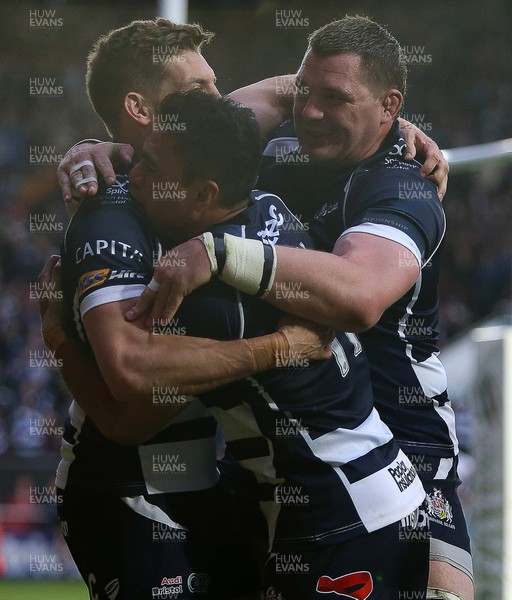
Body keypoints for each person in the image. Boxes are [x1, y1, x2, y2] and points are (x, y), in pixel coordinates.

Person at [122, 16, 473, 600]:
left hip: (402, 451)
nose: (310, 113)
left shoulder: (404, 185)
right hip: (282, 458)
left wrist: (219, 251)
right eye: (304, 93)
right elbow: (197, 132)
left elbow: (359, 296)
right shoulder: (281, 153)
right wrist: (104, 149)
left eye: (336, 99)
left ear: (389, 107)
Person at [46, 87, 431, 599]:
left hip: (333, 516)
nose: (134, 177)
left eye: (153, 169)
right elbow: (278, 96)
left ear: (204, 195)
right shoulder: (270, 208)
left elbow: (126, 400)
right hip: (377, 496)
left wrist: (56, 336)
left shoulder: (210, 300)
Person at [40, 19, 332, 600]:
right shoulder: (110, 212)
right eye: (200, 90)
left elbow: (290, 89)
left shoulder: (195, 155)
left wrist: (394, 128)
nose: (219, 102)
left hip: (196, 467)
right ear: (140, 108)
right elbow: (128, 400)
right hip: (123, 477)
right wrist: (275, 350)